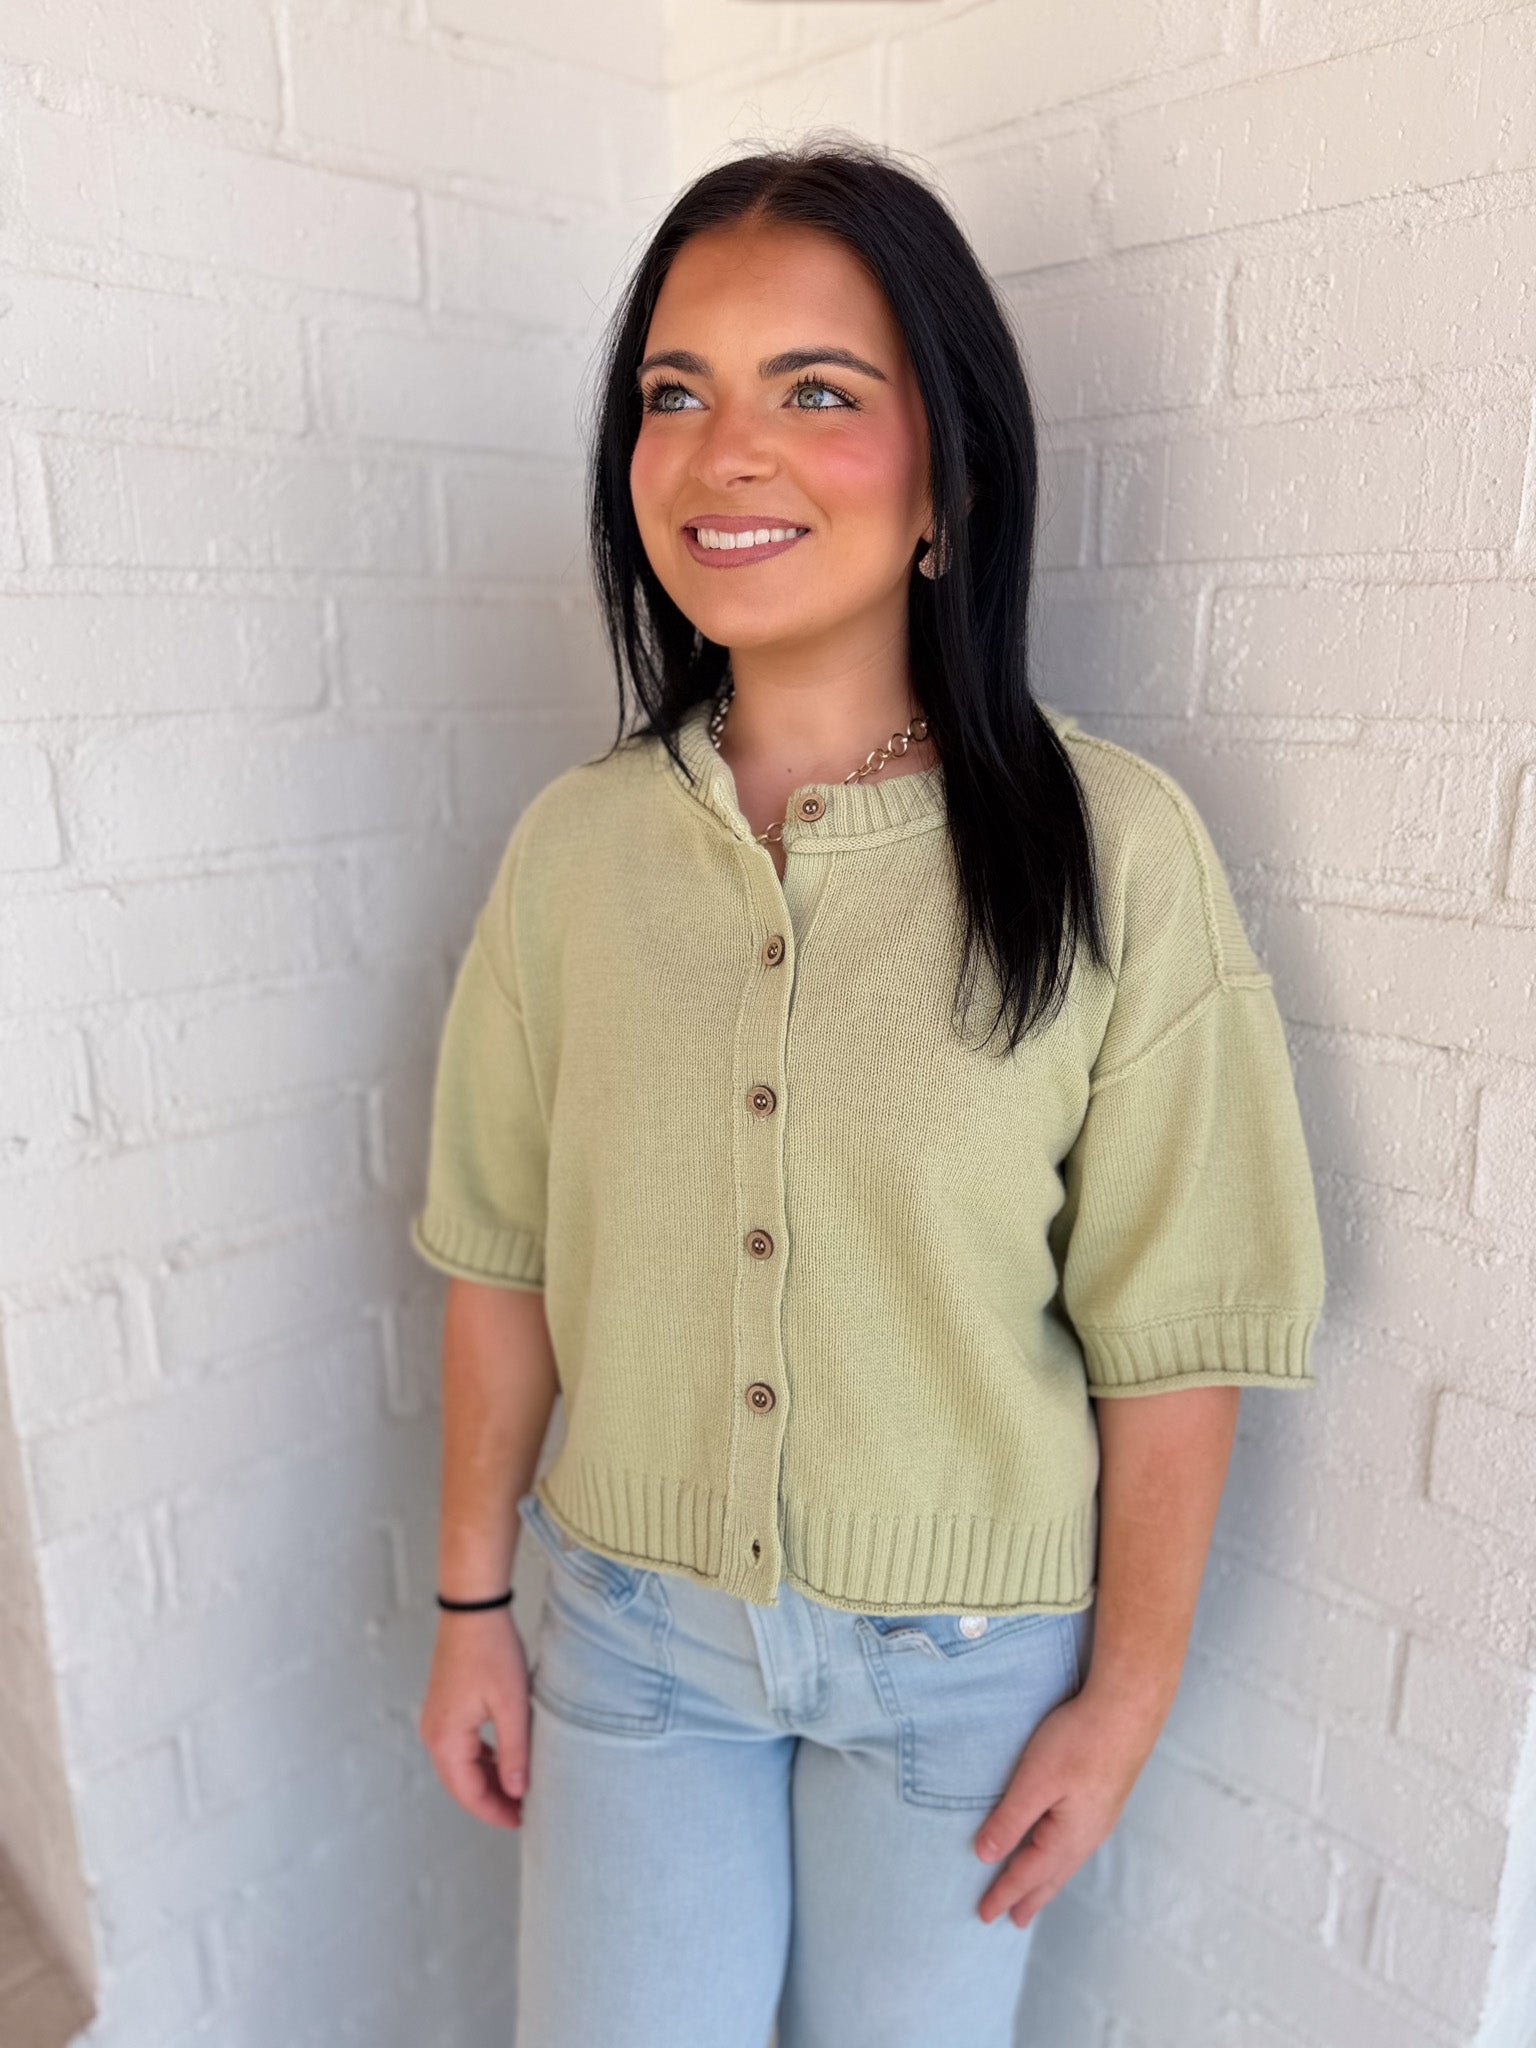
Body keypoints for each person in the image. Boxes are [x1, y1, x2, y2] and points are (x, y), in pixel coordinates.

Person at [410, 137, 1327, 2048]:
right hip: (632, 1647)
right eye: (677, 394)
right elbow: (498, 1252)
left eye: (816, 391)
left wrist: (1127, 1696)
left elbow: (1180, 1323)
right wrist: (470, 1605)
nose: (725, 450)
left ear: (946, 480)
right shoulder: (574, 856)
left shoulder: (1114, 852)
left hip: (969, 1678)